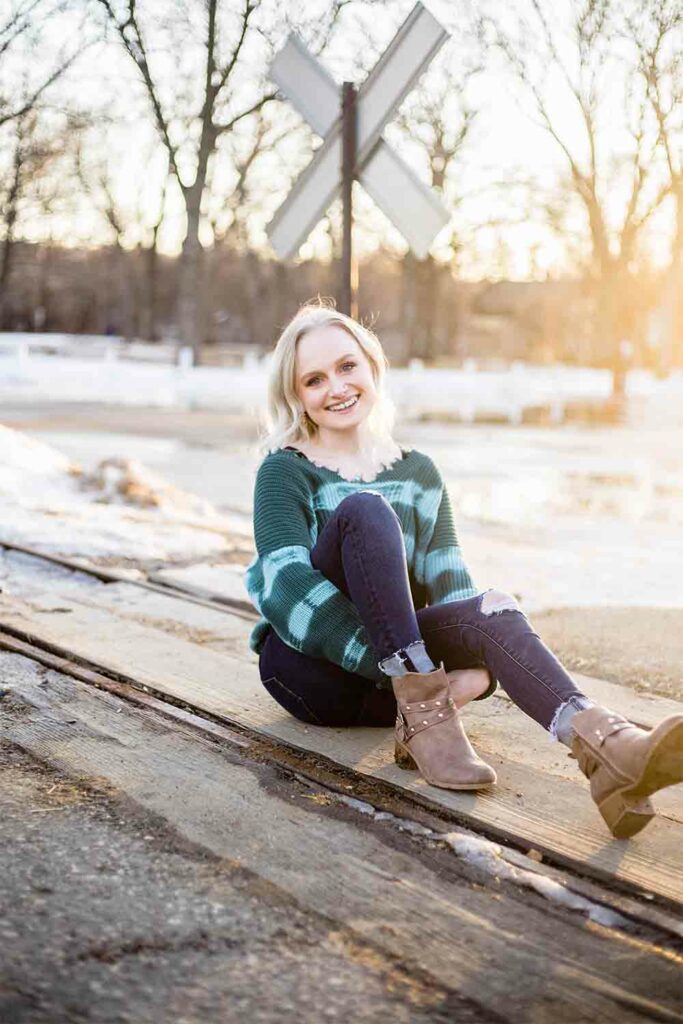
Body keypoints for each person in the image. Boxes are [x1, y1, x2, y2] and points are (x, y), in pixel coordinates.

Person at [245, 301, 683, 839]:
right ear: (296, 396)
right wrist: (415, 676)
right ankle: (422, 707)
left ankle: (611, 752)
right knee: (364, 511)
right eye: (314, 379)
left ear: (372, 366)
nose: (336, 387)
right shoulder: (285, 470)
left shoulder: (417, 471)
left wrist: (478, 669)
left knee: (493, 609)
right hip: (310, 672)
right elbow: (286, 589)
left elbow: (452, 586)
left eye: (346, 367)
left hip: (411, 693)